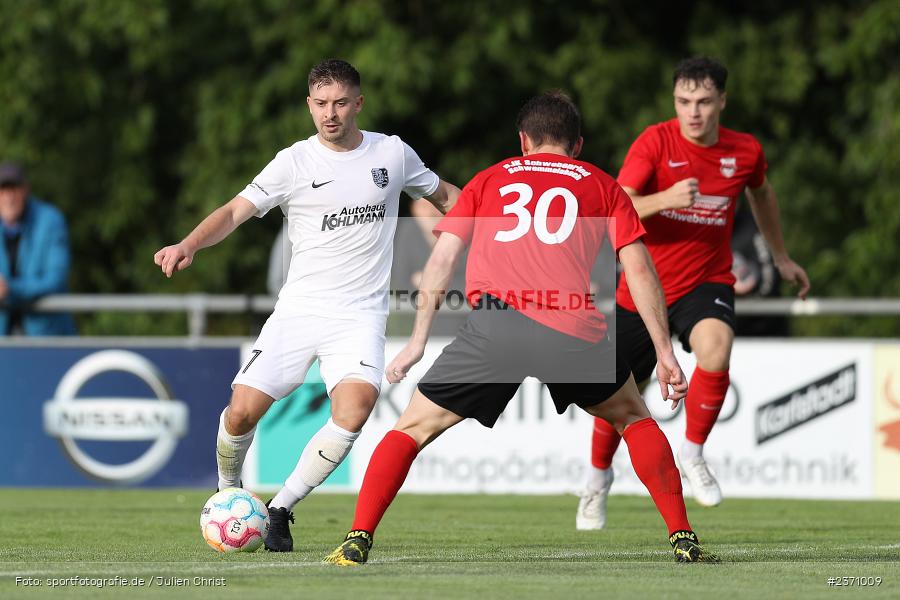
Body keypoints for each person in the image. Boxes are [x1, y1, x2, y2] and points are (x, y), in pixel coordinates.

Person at [324, 91, 716, 566]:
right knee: (633, 418)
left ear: (524, 141)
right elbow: (639, 269)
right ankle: (682, 537)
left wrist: (417, 342)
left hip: (497, 329)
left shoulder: (490, 179)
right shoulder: (602, 184)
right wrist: (666, 352)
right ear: (578, 145)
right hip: (573, 327)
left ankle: (357, 538)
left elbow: (443, 259)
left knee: (411, 428)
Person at [153, 59, 460, 552]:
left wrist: (497, 229)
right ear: (309, 105)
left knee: (356, 409)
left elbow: (445, 195)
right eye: (320, 104)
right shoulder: (293, 161)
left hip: (359, 315)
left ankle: (279, 509)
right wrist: (189, 244)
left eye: (340, 102)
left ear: (358, 103)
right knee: (240, 414)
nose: (330, 113)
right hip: (298, 310)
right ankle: (228, 491)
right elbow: (235, 211)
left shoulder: (393, 153)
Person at [576, 57, 810, 530]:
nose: (694, 112)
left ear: (722, 100)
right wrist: (665, 200)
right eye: (684, 102)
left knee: (716, 347)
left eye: (704, 101)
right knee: (620, 393)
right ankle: (597, 481)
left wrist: (781, 257)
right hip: (645, 288)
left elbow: (762, 196)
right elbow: (616, 204)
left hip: (707, 281)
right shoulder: (655, 141)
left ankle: (694, 453)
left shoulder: (745, 151)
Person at [0, 162, 76, 336]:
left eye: (14, 189)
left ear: (26, 190)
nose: (8, 197)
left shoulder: (50, 221)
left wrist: (10, 289)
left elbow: (55, 279)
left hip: (45, 336)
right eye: (3, 189)